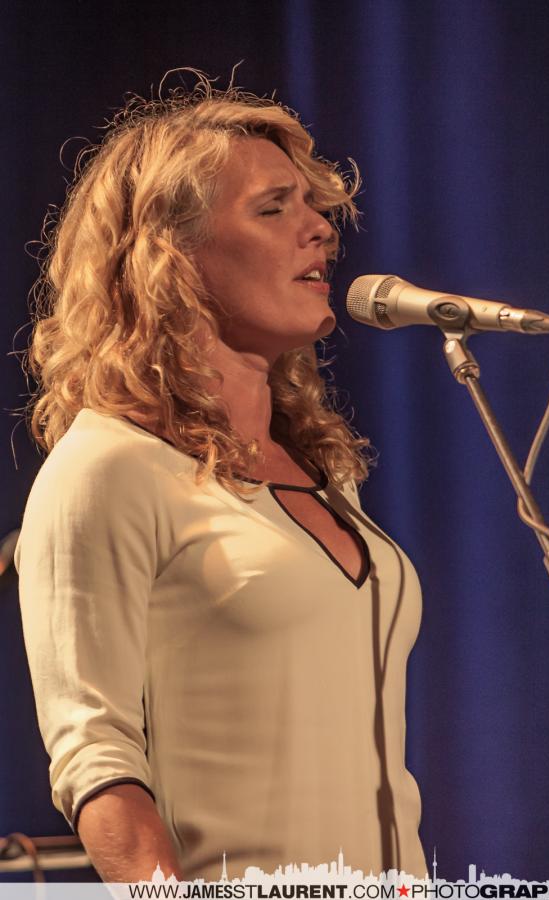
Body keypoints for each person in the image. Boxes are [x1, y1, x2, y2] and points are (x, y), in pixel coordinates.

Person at [15, 72, 427, 884]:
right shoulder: (107, 467)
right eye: (273, 209)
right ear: (169, 257)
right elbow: (97, 761)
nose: (321, 229)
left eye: (312, 206)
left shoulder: (322, 473)